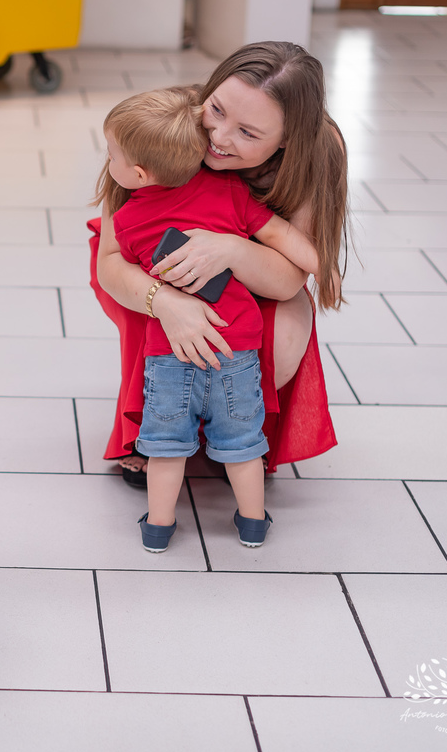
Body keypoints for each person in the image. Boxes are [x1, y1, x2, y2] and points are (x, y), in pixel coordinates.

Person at [89, 41, 349, 486]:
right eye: (216, 110)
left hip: (255, 267)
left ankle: (235, 428)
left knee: (280, 337)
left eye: (248, 133)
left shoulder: (318, 153)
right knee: (153, 320)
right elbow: (112, 262)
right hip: (148, 264)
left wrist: (231, 249)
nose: (220, 138)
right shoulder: (166, 126)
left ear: (287, 141)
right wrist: (164, 301)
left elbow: (289, 280)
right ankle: (150, 427)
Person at [98, 87, 320, 551]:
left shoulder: (129, 220)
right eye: (216, 114)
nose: (220, 136)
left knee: (164, 445)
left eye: (111, 155)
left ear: (139, 173)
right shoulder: (230, 192)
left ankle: (158, 527)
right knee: (242, 443)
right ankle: (253, 523)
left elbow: (116, 263)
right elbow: (283, 237)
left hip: (169, 352)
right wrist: (323, 265)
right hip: (236, 348)